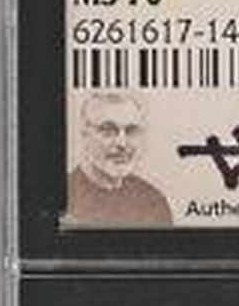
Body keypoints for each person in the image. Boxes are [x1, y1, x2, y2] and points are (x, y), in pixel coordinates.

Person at [66, 92, 173, 226]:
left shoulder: (153, 201)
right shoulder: (65, 197)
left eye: (131, 131)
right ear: (85, 135)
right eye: (108, 131)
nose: (122, 143)